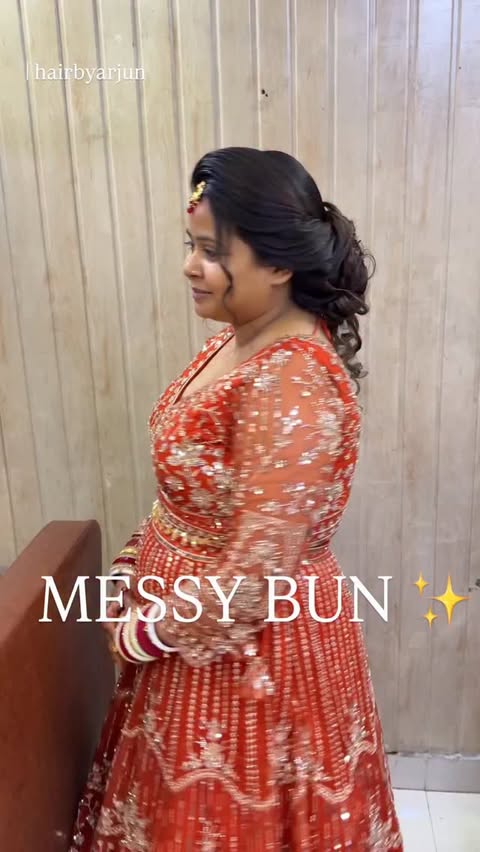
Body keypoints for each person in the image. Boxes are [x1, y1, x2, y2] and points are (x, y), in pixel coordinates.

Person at [69, 147, 403, 850]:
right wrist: (135, 559)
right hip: (183, 632)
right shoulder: (238, 339)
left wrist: (140, 635)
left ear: (279, 265)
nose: (191, 267)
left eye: (213, 252)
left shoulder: (293, 382)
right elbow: (191, 495)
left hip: (253, 659)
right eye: (190, 246)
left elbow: (253, 581)